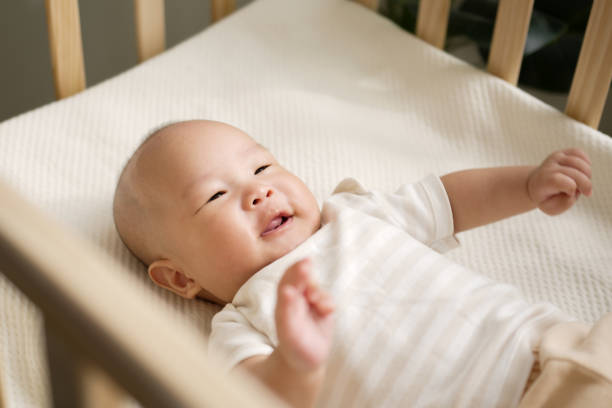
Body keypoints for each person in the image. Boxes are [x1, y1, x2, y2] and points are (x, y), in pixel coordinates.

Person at [113, 120, 610, 408]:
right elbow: (260, 397)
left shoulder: (353, 214)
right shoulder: (241, 323)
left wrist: (526, 186)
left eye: (262, 167)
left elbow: (451, 199)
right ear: (180, 277)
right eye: (216, 196)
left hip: (551, 351)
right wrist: (295, 365)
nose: (259, 189)